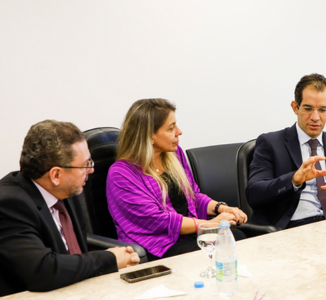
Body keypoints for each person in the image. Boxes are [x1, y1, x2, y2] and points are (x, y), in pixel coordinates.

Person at [0, 120, 139, 296]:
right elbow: (43, 271)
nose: (91, 170)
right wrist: (109, 258)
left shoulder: (65, 189)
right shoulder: (9, 204)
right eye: (85, 164)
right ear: (56, 175)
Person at [106, 98, 248, 261]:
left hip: (187, 237)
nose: (179, 131)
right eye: (171, 128)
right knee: (228, 242)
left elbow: (193, 196)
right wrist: (210, 225)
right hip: (157, 246)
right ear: (149, 135)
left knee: (237, 235)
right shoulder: (121, 174)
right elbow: (156, 220)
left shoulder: (174, 154)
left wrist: (221, 208)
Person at [246, 73, 326, 229]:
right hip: (292, 228)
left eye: (322, 110)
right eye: (308, 109)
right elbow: (254, 194)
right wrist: (293, 180)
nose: (315, 117)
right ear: (295, 107)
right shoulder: (270, 143)